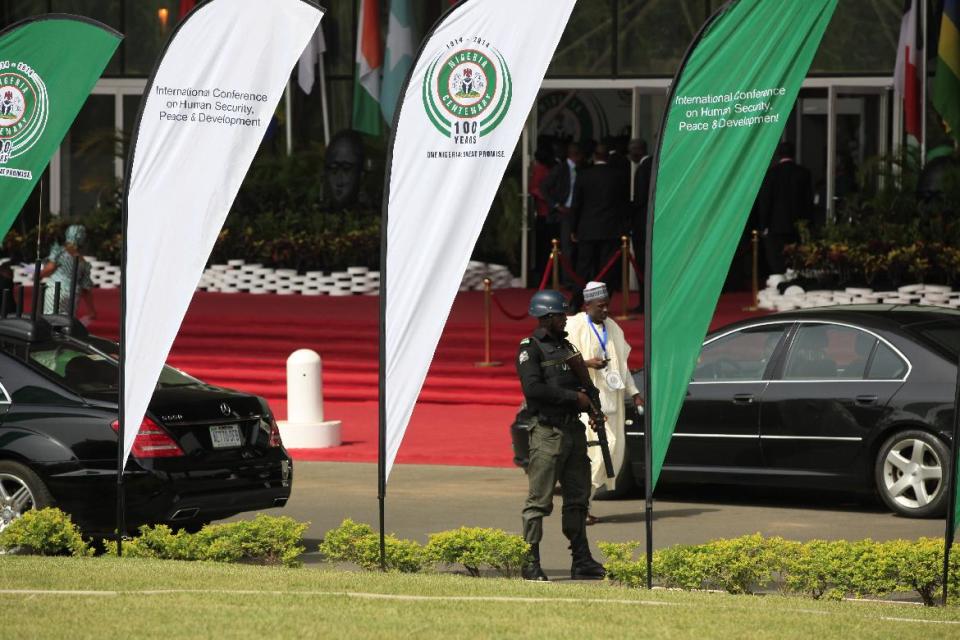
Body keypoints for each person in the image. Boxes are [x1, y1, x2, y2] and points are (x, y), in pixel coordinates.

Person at [516, 289, 606, 582]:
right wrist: (574, 399)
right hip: (547, 433)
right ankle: (530, 563)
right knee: (539, 502)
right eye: (560, 315)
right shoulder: (531, 348)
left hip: (573, 431)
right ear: (547, 317)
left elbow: (585, 386)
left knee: (578, 498)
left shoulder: (567, 347)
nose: (565, 319)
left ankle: (581, 560)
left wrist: (593, 408)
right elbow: (534, 390)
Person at [564, 282, 641, 522]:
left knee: (613, 453)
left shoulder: (613, 327)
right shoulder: (573, 325)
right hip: (588, 401)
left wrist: (634, 392)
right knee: (597, 454)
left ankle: (582, 507)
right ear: (588, 305)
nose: (605, 310)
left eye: (607, 305)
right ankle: (578, 506)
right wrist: (586, 363)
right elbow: (561, 358)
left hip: (613, 399)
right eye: (600, 306)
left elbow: (622, 364)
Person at [571, 144, 629, 291]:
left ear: (594, 156)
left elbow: (576, 204)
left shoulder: (584, 175)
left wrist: (573, 228)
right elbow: (623, 203)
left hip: (587, 228)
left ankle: (576, 301)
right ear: (608, 157)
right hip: (611, 228)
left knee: (583, 266)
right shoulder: (618, 176)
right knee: (607, 267)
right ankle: (603, 302)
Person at [752, 141, 813, 276]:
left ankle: (780, 282)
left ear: (779, 155)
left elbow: (765, 200)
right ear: (794, 153)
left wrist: (763, 225)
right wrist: (808, 224)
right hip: (798, 225)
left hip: (776, 225)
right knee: (796, 259)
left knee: (777, 260)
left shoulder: (771, 174)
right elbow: (808, 202)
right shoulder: (803, 173)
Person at [542, 143, 583, 283]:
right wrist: (557, 205)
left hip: (580, 212)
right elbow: (544, 187)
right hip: (565, 212)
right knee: (567, 248)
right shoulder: (560, 169)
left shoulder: (583, 168)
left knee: (579, 246)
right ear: (574, 154)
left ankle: (578, 277)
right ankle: (568, 280)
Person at [40, 224, 95, 319]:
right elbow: (86, 289)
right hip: (72, 295)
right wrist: (92, 310)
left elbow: (50, 267)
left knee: (50, 320)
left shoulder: (59, 251)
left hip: (55, 290)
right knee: (66, 322)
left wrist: (38, 275)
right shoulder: (83, 262)